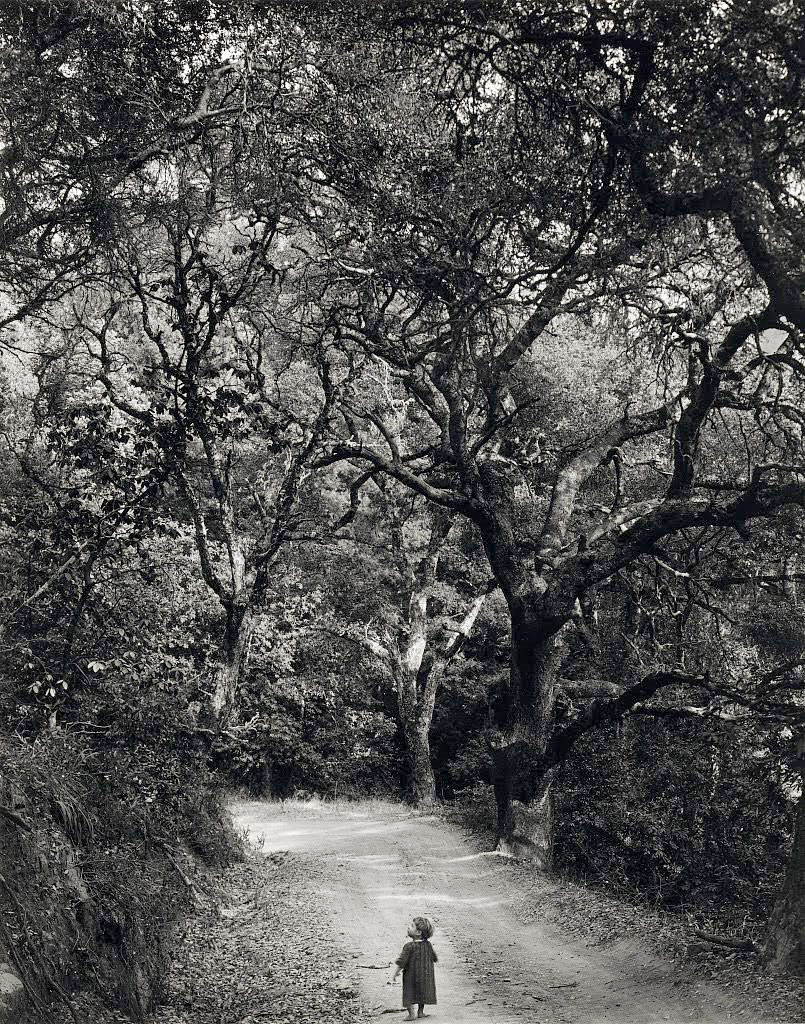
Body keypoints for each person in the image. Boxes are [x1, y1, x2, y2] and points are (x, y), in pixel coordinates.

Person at [390, 916, 438, 1020]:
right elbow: (434, 957)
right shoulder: (428, 945)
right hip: (425, 976)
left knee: (408, 993)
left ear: (418, 932)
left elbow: (402, 961)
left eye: (411, 926)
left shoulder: (409, 946)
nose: (408, 927)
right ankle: (420, 1012)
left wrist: (395, 973)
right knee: (423, 992)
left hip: (411, 976)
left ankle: (411, 1014)